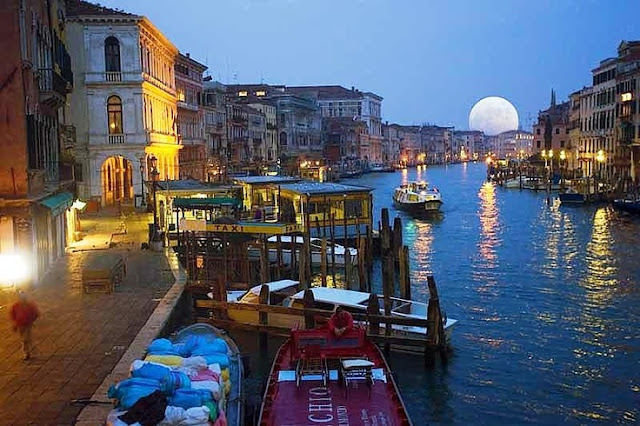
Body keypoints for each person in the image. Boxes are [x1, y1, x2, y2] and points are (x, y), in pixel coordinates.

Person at [10, 291, 39, 360]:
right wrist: (15, 324)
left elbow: (36, 313)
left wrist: (32, 320)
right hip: (20, 325)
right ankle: (29, 350)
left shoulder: (30, 305)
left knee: (25, 339)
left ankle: (27, 352)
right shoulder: (16, 306)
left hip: (28, 324)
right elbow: (13, 315)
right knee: (24, 338)